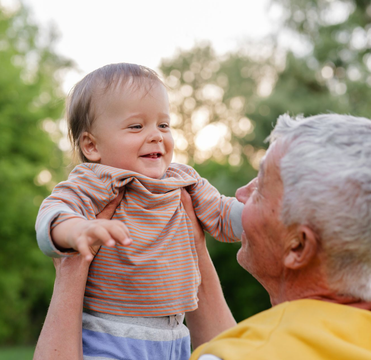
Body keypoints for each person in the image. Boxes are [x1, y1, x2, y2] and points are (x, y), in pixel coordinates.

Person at [35, 113, 371, 360]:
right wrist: (184, 240)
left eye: (262, 186)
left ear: (298, 246)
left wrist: (73, 269)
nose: (243, 192)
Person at [35, 63, 243, 360]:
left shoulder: (182, 179)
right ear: (92, 146)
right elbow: (52, 215)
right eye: (136, 126)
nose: (156, 136)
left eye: (163, 125)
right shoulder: (95, 180)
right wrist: (77, 230)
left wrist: (264, 219)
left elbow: (224, 214)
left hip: (175, 337)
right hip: (112, 336)